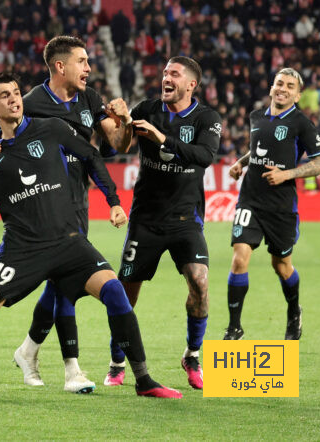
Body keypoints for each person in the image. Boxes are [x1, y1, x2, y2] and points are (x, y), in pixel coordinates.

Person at [0, 72, 181, 399]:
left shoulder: (52, 129)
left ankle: (143, 380)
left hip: (69, 243)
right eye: (5, 96)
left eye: (16, 93)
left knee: (115, 292)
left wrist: (113, 201)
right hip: (22, 252)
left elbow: (91, 157)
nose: (14, 99)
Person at [0, 36, 134, 393]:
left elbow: (116, 147)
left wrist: (126, 121)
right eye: (82, 61)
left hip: (77, 201)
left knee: (62, 284)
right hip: (47, 203)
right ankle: (72, 370)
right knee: (64, 284)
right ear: (60, 66)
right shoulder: (29, 102)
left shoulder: (90, 99)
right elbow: (0, 139)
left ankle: (29, 349)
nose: (89, 68)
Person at [106, 56, 222, 390]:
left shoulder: (207, 118)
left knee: (200, 284)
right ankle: (117, 361)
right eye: (165, 73)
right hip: (146, 220)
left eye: (175, 74)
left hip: (187, 220)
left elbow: (204, 156)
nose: (166, 78)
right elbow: (121, 145)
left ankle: (192, 354)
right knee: (125, 296)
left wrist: (161, 138)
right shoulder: (146, 108)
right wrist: (124, 121)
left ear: (191, 84)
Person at [223, 67, 320, 341]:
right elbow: (258, 147)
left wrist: (287, 174)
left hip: (280, 206)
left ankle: (294, 312)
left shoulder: (301, 123)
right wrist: (240, 163)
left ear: (297, 94)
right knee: (239, 256)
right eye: (279, 83)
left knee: (281, 265)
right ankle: (234, 327)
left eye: (290, 86)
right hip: (250, 200)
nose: (283, 88)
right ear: (271, 88)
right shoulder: (257, 116)